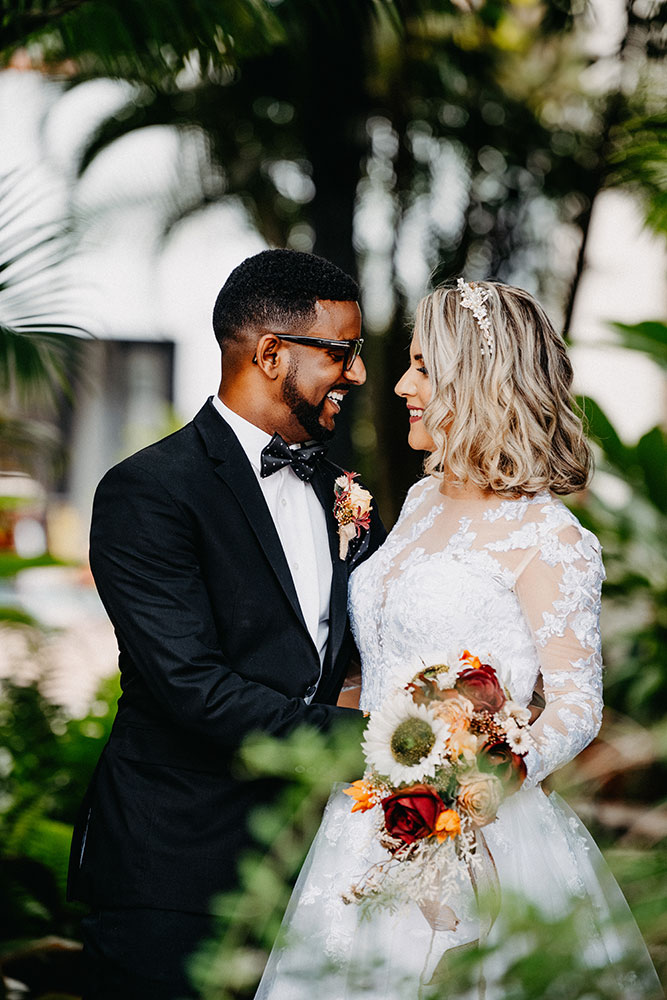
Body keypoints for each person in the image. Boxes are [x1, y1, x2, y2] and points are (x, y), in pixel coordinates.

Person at [255, 279, 663, 999]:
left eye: (422, 366)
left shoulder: (548, 536)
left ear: (478, 381)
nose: (404, 384)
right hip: (362, 818)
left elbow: (573, 709)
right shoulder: (417, 500)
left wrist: (464, 789)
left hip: (476, 830)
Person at [67, 248, 386, 999]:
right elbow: (193, 687)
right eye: (341, 353)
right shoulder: (148, 492)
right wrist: (393, 742)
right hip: (174, 865)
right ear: (271, 353)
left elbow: (351, 659)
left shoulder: (347, 492)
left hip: (316, 865)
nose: (357, 375)